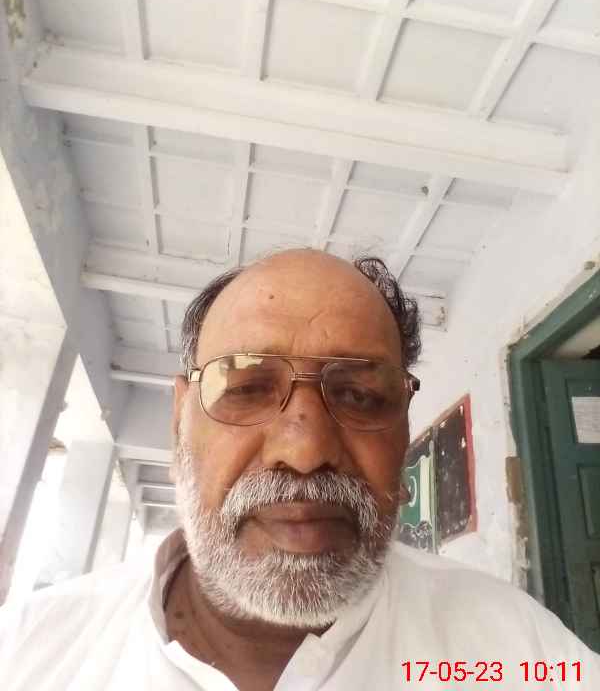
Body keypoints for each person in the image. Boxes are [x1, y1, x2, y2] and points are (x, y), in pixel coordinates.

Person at [0, 249, 598, 690]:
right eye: (247, 387)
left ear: (403, 431)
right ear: (180, 420)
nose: (306, 450)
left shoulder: (515, 655)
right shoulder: (28, 655)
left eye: (361, 395)